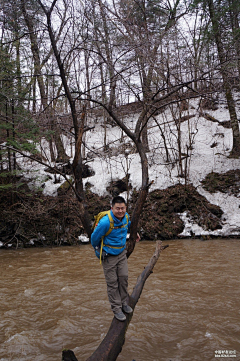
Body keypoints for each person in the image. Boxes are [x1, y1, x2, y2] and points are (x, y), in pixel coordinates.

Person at [91, 195, 140, 321]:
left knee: (123, 279)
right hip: (108, 256)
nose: (120, 211)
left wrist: (135, 233)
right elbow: (94, 239)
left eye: (122, 208)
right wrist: (99, 252)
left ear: (125, 208)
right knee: (112, 284)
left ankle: (124, 303)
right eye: (117, 208)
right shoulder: (105, 222)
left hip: (121, 253)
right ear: (112, 208)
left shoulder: (126, 216)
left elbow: (127, 225)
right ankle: (117, 309)